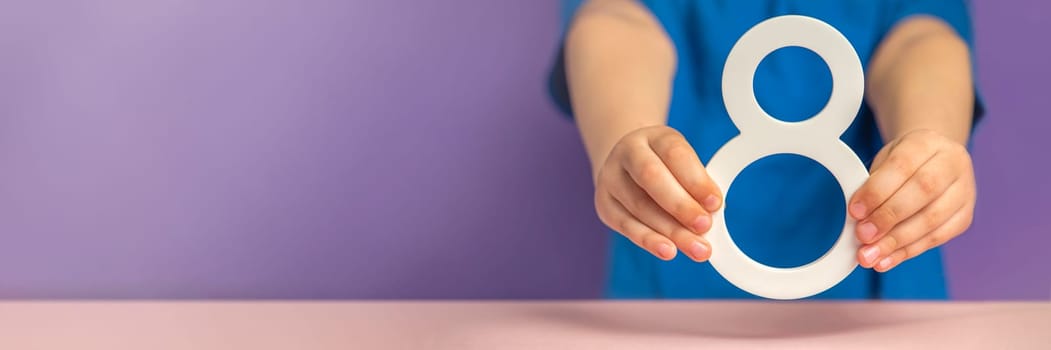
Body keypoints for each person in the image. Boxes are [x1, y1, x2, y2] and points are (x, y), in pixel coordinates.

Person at [547, 0, 983, 299]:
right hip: (672, 287)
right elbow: (619, 20)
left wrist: (928, 142)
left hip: (875, 295)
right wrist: (627, 134)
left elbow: (919, 35)